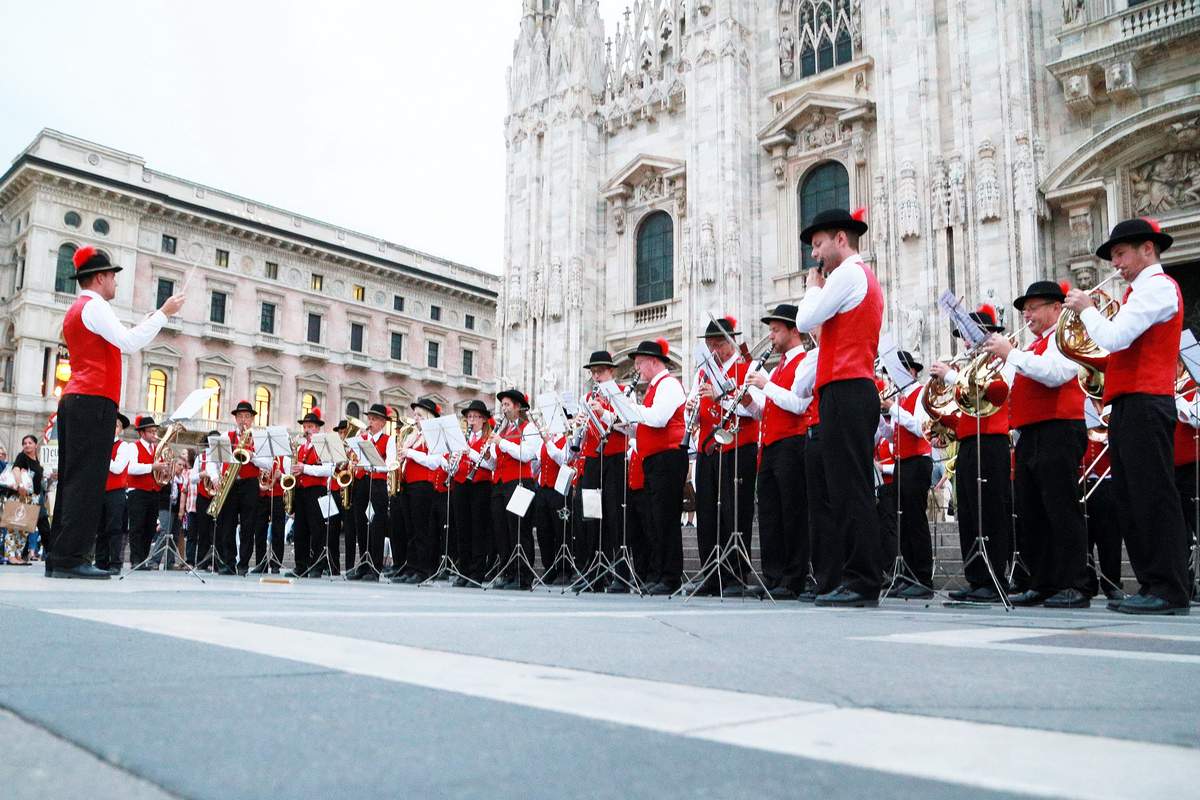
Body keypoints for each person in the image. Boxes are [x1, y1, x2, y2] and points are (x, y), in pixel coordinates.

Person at [1066, 217, 1190, 614]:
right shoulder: (1141, 292)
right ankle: (1152, 582)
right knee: (1133, 497)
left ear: (1147, 249)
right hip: (1129, 403)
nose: (1115, 263)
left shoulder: (1156, 289)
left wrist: (1087, 310)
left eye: (1120, 253)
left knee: (1153, 495)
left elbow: (1115, 338)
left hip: (1147, 401)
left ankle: (1170, 588)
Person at [47, 245, 184, 579]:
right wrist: (163, 313)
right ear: (99, 278)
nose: (115, 283)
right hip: (93, 399)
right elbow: (129, 342)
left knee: (72, 479)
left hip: (77, 398)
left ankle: (61, 556)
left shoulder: (77, 309)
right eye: (112, 276)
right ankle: (71, 559)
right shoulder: (96, 307)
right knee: (87, 482)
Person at [795, 207, 885, 607]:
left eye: (818, 245)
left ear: (841, 239)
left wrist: (813, 287)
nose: (815, 256)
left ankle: (863, 579)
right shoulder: (856, 276)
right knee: (847, 487)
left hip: (847, 389)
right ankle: (857, 575)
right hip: (845, 388)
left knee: (851, 488)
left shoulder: (848, 273)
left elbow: (804, 319)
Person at [984, 281, 1091, 608]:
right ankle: (1043, 581)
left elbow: (1056, 374)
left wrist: (1012, 354)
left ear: (1056, 308)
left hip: (1059, 427)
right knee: (1032, 511)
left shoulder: (1066, 337)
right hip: (1030, 432)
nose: (1026, 315)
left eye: (1033, 307)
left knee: (1061, 507)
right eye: (1024, 310)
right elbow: (1013, 387)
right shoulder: (1031, 347)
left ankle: (1076, 582)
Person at [929, 305, 1012, 603]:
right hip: (969, 442)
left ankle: (993, 578)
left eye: (968, 336)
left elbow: (995, 394)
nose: (964, 343)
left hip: (991, 442)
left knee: (989, 510)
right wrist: (943, 424)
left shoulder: (999, 360)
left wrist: (951, 376)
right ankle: (975, 577)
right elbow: (967, 411)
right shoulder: (969, 367)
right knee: (967, 511)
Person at [689, 316, 760, 596]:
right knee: (707, 512)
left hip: (737, 446)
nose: (714, 351)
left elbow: (755, 411)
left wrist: (721, 396)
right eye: (710, 346)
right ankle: (710, 572)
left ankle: (736, 574)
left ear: (730, 343)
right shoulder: (703, 374)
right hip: (708, 446)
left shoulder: (748, 367)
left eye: (718, 345)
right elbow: (693, 404)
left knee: (735, 511)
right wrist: (691, 406)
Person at [746, 307, 812, 600]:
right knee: (771, 513)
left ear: (793, 331)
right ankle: (773, 575)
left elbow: (797, 404)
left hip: (792, 444)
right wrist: (748, 400)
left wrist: (765, 385)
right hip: (771, 446)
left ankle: (793, 577)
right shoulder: (777, 367)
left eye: (775, 330)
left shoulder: (805, 361)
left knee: (792, 512)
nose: (770, 336)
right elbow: (766, 410)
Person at [628, 339, 687, 595]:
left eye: (640, 364)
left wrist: (629, 407)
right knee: (655, 519)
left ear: (653, 362)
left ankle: (671, 576)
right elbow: (644, 425)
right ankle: (660, 572)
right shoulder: (654, 387)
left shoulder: (669, 385)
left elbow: (659, 418)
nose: (637, 369)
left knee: (666, 518)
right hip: (654, 459)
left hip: (668, 457)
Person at [878, 352, 935, 599]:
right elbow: (893, 436)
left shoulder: (921, 392)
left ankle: (922, 578)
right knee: (904, 521)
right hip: (903, 461)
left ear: (911, 372)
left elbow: (920, 428)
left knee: (916, 520)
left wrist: (894, 408)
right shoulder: (901, 399)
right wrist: (881, 419)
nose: (891, 379)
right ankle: (908, 575)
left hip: (917, 462)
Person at [577, 351, 629, 586]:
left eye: (601, 372)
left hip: (614, 456)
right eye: (594, 372)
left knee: (613, 512)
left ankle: (616, 569)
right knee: (590, 512)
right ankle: (591, 568)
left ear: (611, 371)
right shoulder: (588, 396)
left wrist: (604, 413)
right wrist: (579, 425)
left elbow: (627, 423)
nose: (597, 376)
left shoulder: (623, 393)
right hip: (591, 457)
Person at [485, 390, 539, 589]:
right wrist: (489, 457)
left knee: (519, 529)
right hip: (500, 484)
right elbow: (495, 463)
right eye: (503, 405)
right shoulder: (502, 430)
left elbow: (526, 454)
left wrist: (502, 443)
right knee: (502, 530)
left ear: (517, 406)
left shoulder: (529, 427)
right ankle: (507, 572)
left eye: (507, 405)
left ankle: (523, 576)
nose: (504, 409)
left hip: (520, 482)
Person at [394, 398, 447, 584]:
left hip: (424, 485)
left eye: (419, 415)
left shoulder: (434, 435)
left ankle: (423, 569)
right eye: (415, 415)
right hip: (408, 484)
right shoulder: (413, 435)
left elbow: (434, 461)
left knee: (422, 530)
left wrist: (410, 453)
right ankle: (411, 566)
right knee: (411, 529)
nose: (415, 418)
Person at [217, 401, 273, 575]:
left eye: (247, 417)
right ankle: (228, 562)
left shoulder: (259, 438)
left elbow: (269, 463)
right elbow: (216, 460)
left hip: (249, 483)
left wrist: (253, 456)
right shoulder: (226, 436)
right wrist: (214, 477)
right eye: (240, 416)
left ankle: (243, 564)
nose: (243, 420)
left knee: (248, 526)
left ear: (252, 419)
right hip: (230, 482)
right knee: (228, 524)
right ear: (235, 418)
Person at [346, 404, 395, 580]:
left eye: (374, 419)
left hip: (378, 483)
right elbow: (354, 458)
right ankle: (364, 563)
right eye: (370, 419)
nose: (371, 422)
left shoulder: (389, 440)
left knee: (376, 524)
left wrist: (375, 464)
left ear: (383, 422)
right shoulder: (362, 437)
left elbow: (390, 464)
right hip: (361, 482)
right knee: (360, 522)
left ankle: (375, 566)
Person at [454, 400, 495, 586]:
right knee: (462, 529)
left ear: (484, 419)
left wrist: (469, 452)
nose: (471, 420)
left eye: (475, 417)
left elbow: (490, 464)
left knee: (478, 530)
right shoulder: (464, 438)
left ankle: (477, 572)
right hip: (462, 484)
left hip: (481, 486)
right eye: (469, 417)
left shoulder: (489, 439)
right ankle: (463, 571)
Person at [287, 408, 331, 579]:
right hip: (301, 490)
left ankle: (316, 566)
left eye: (310, 426)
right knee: (300, 530)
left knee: (317, 529)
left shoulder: (323, 445)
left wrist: (305, 468)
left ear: (317, 428)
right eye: (305, 426)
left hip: (316, 491)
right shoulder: (300, 446)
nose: (307, 429)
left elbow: (328, 470)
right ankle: (301, 565)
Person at [93, 413, 132, 574]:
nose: (112, 428)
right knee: (100, 528)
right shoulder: (100, 444)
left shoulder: (124, 446)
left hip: (116, 492)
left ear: (120, 430)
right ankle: (100, 561)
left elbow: (117, 468)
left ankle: (115, 562)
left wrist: (102, 456)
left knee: (114, 528)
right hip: (100, 490)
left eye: (116, 425)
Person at [125, 417, 163, 570]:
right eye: (151, 431)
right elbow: (132, 468)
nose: (155, 434)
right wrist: (153, 466)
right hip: (137, 492)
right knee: (137, 527)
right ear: (142, 433)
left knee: (149, 528)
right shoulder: (133, 447)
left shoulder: (157, 449)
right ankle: (135, 559)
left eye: (155, 431)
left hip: (153, 492)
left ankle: (143, 559)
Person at [190, 432, 221, 571]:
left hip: (218, 496)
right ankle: (202, 561)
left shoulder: (222, 457)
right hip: (203, 496)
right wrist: (203, 474)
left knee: (217, 531)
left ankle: (216, 562)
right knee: (202, 531)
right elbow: (192, 478)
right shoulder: (200, 458)